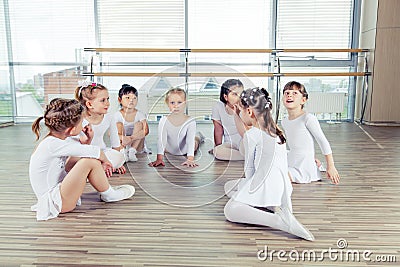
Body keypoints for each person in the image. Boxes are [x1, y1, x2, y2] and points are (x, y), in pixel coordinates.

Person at [223, 87, 314, 241]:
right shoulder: (277, 131)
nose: (241, 113)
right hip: (282, 187)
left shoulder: (251, 135)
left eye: (242, 110)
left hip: (263, 182)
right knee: (229, 186)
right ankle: (275, 207)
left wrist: (246, 193)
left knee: (230, 210)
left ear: (250, 112)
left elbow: (250, 170)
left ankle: (279, 221)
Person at [29, 98, 135, 221]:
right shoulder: (52, 144)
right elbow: (96, 152)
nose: (84, 124)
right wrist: (106, 162)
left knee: (86, 159)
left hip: (58, 197)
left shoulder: (54, 140)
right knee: (89, 161)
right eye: (81, 122)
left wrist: (86, 142)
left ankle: (107, 191)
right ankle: (110, 194)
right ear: (72, 130)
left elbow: (70, 165)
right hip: (57, 202)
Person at [281, 81, 340, 184]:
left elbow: (322, 141)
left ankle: (310, 169)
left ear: (303, 100)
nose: (289, 95)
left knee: (278, 175)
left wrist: (331, 166)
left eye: (295, 93)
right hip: (293, 158)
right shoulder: (284, 121)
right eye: (287, 93)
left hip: (303, 165)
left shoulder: (308, 118)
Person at [75, 81, 126, 175]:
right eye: (103, 100)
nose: (108, 103)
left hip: (102, 153)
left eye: (108, 99)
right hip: (84, 154)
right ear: (89, 104)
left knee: (120, 155)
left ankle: (96, 170)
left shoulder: (110, 117)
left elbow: (116, 144)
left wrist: (118, 162)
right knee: (79, 160)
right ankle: (100, 169)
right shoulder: (78, 119)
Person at [148, 88, 203, 168]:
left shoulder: (190, 121)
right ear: (167, 104)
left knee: (195, 141)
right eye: (172, 103)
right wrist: (159, 159)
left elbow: (190, 141)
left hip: (185, 149)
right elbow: (161, 140)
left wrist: (190, 159)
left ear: (185, 103)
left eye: (179, 102)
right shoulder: (163, 120)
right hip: (169, 150)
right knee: (162, 141)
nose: (176, 106)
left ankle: (199, 136)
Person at [210, 79, 246, 161]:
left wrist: (240, 111)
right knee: (217, 151)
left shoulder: (246, 107)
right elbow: (218, 129)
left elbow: (248, 132)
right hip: (229, 144)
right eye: (235, 94)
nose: (239, 97)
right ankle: (244, 157)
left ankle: (244, 155)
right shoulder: (218, 107)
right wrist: (217, 146)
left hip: (244, 142)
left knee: (247, 147)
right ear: (225, 97)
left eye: (241, 94)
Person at [114, 84, 149, 162]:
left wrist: (131, 138)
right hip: (123, 143)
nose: (131, 100)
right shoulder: (117, 115)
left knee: (139, 124)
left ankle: (132, 151)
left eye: (134, 98)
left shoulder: (140, 114)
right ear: (120, 100)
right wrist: (123, 138)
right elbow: (111, 133)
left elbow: (146, 131)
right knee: (118, 125)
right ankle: (123, 152)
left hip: (137, 144)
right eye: (127, 98)